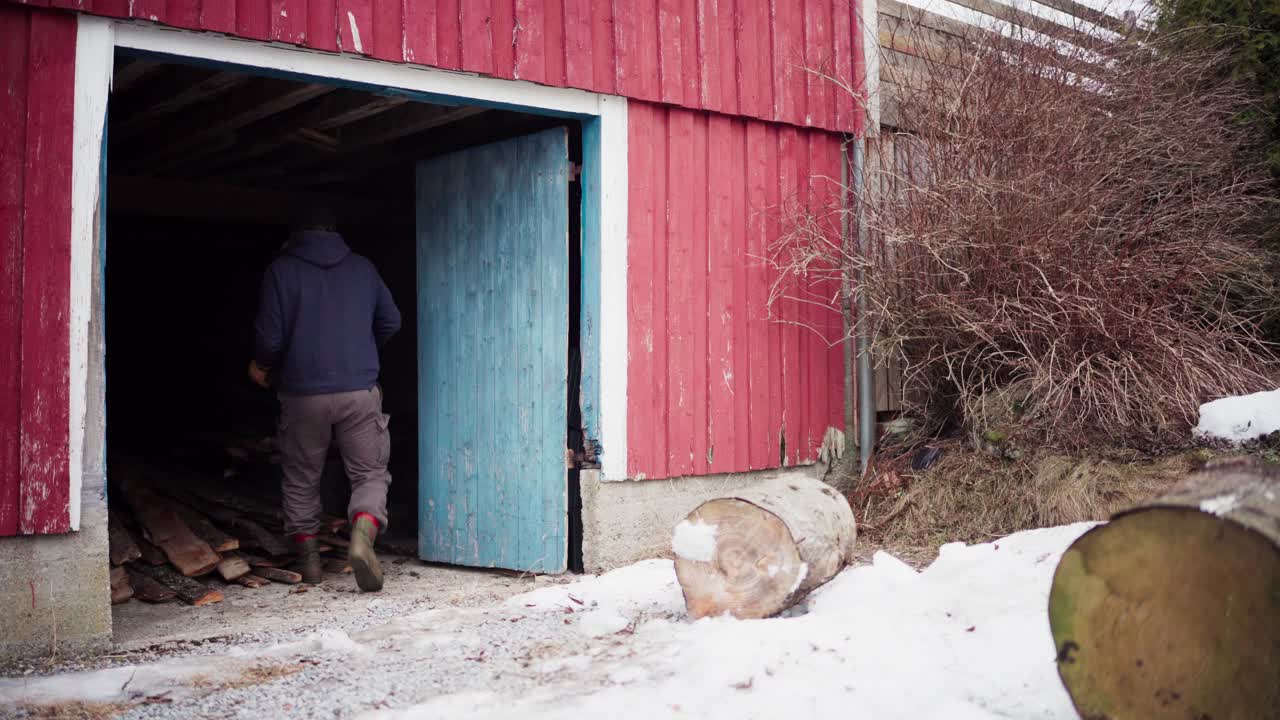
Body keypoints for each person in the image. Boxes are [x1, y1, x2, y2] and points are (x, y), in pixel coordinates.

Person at [250, 206, 401, 591]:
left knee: (302, 476)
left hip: (303, 395)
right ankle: (362, 536)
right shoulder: (363, 268)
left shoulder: (281, 270)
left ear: (294, 235)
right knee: (369, 473)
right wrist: (360, 354)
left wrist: (262, 365)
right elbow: (391, 320)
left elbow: (270, 337)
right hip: (359, 392)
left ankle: (310, 563)